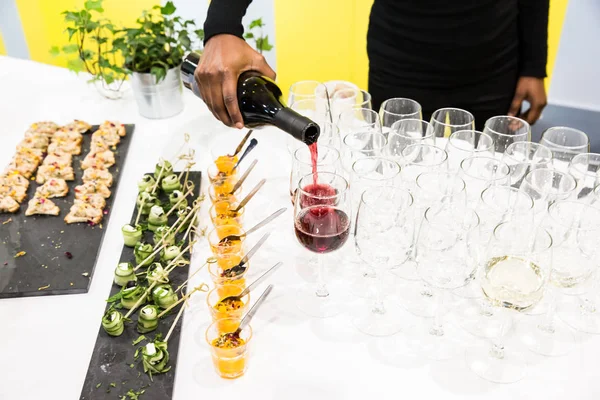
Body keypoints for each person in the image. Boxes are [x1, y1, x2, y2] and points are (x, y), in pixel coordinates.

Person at [196, 0, 549, 131]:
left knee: (481, 180)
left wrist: (534, 64)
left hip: (492, 58)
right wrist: (222, 27)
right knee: (395, 169)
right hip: (400, 54)